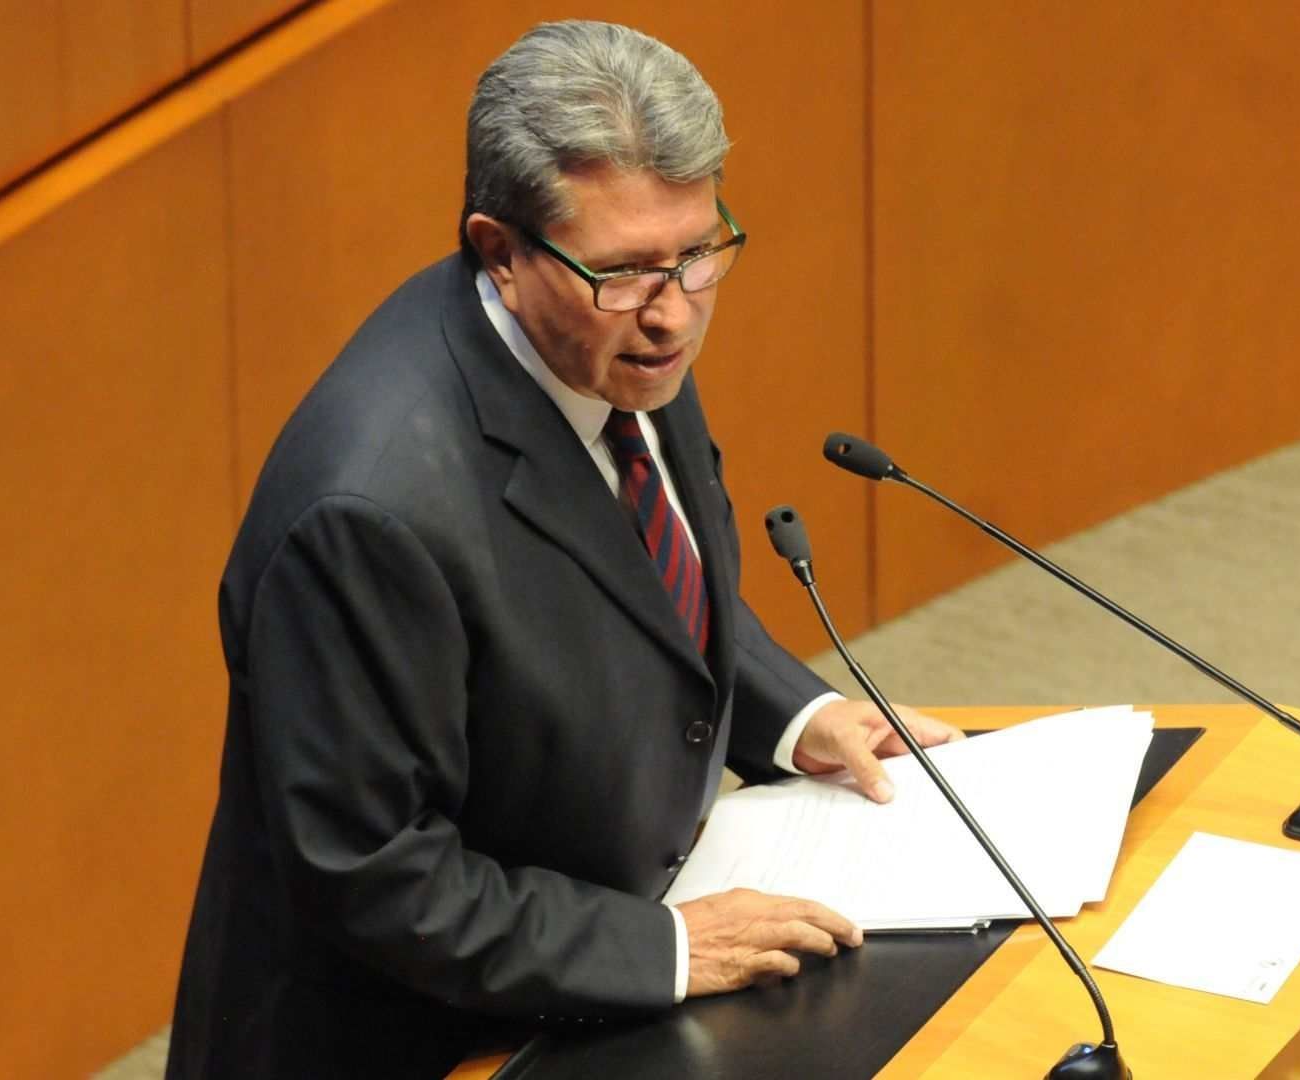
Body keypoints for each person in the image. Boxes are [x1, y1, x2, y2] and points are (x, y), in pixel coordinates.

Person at [163, 20, 961, 1079]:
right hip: (417, 1041)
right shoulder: (367, 513)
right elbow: (376, 877)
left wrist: (793, 714)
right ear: (499, 251)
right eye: (631, 271)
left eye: (697, 253)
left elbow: (647, 575)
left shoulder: (609, 329)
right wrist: (673, 947)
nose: (674, 314)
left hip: (576, 972)